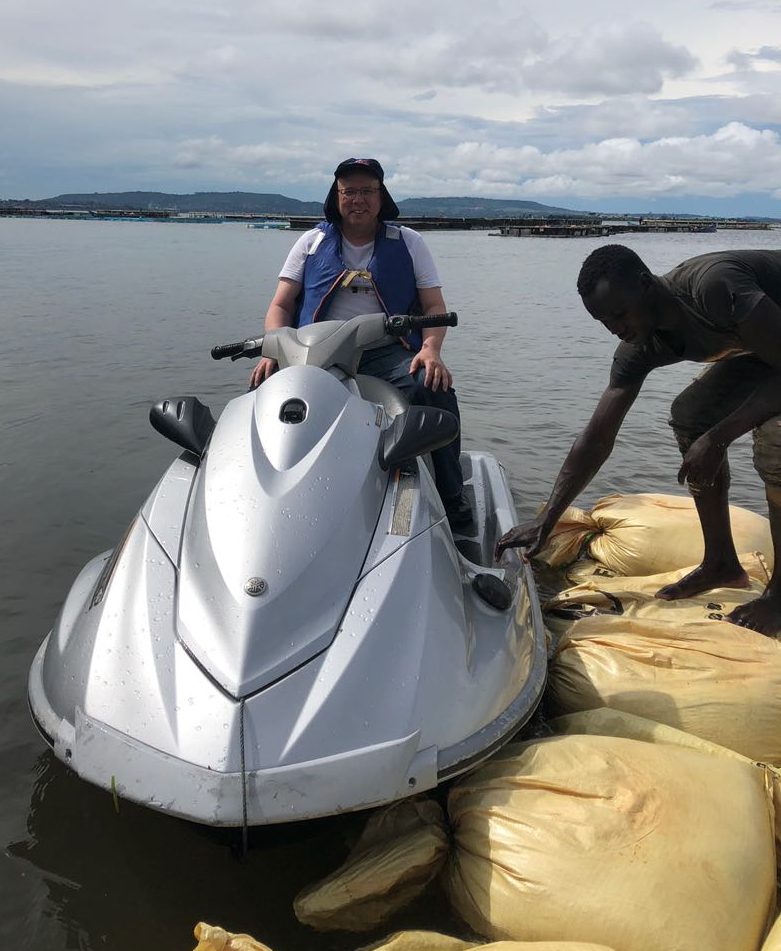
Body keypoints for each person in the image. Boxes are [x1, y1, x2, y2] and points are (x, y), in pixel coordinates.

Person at [495, 244, 781, 636]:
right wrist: (549, 516)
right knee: (691, 418)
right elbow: (597, 436)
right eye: (603, 321)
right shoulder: (639, 345)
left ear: (646, 284)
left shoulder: (713, 288)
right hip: (765, 346)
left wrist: (718, 439)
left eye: (619, 313)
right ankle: (720, 563)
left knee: (775, 450)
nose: (615, 328)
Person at [251, 157, 469, 531]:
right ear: (335, 197)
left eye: (367, 191)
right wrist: (274, 347)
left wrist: (430, 350)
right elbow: (281, 305)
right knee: (262, 390)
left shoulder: (409, 242)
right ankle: (259, 493)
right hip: (313, 351)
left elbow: (434, 306)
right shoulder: (311, 241)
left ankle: (452, 496)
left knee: (432, 388)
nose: (358, 199)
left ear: (381, 196)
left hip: (387, 350)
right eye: (348, 191)